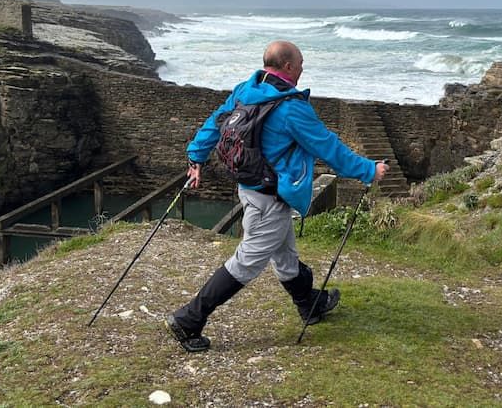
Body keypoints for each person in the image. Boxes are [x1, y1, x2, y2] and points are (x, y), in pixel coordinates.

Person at [166, 40, 389, 352]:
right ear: (287, 67)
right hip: (268, 198)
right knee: (246, 264)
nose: (302, 69)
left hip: (252, 188)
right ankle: (188, 320)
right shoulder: (291, 108)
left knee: (285, 255)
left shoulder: (246, 89)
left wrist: (196, 159)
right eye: (300, 63)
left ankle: (309, 303)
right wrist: (369, 170)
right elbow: (329, 147)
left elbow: (214, 125)